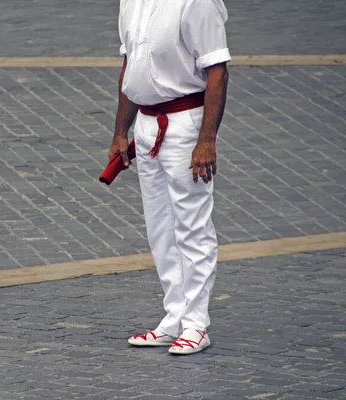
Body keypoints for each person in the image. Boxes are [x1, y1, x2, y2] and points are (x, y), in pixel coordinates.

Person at [109, 0, 230, 355]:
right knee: (160, 226)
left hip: (185, 124)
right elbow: (130, 65)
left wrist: (206, 140)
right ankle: (174, 318)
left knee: (191, 225)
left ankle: (196, 324)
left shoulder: (196, 3)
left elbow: (218, 71)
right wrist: (121, 131)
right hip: (147, 124)